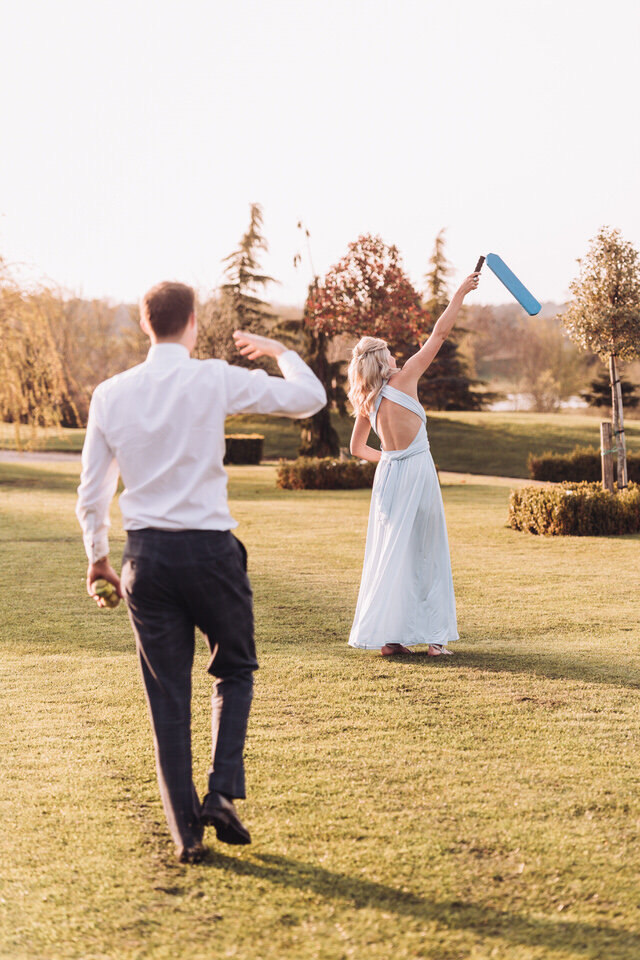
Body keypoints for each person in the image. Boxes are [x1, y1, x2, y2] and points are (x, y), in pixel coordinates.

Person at [76, 281, 326, 862]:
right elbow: (308, 398)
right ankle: (221, 793)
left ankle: (186, 835)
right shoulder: (212, 377)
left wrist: (97, 558)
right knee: (233, 669)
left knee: (168, 697)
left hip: (146, 559)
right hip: (211, 553)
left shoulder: (110, 394)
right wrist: (278, 350)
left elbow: (93, 492)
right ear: (191, 322)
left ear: (146, 325)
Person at [347, 272, 479, 657]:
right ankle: (435, 641)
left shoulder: (367, 400)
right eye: (389, 352)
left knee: (392, 553)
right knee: (427, 549)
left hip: (388, 478)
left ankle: (391, 639)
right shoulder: (404, 379)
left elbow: (357, 448)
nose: (394, 355)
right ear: (382, 359)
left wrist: (387, 458)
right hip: (417, 474)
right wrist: (459, 293)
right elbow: (438, 335)